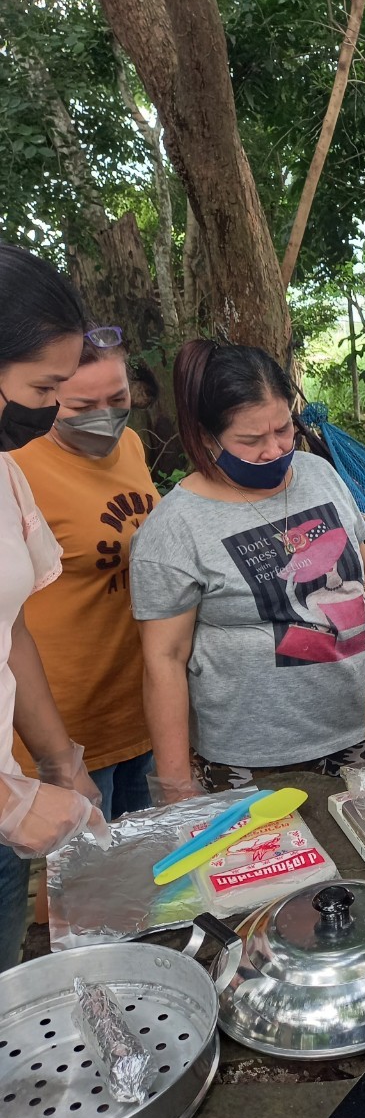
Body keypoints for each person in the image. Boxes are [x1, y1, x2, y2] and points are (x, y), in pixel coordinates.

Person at [130, 341, 365, 797]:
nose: (274, 450)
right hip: (254, 757)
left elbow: (364, 571)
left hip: (357, 726)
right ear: (206, 435)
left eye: (283, 430)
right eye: (251, 441)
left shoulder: (318, 473)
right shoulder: (174, 529)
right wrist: (177, 783)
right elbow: (164, 660)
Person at [0, 244, 109, 970]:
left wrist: (58, 761)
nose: (49, 409)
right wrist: (8, 804)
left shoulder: (5, 474)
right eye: (45, 388)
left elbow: (11, 630)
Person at [11, 325, 157, 818]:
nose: (105, 417)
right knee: (74, 886)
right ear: (47, 396)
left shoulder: (132, 446)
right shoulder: (18, 466)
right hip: (59, 725)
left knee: (144, 879)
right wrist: (57, 754)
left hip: (137, 708)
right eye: (79, 408)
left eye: (117, 398)